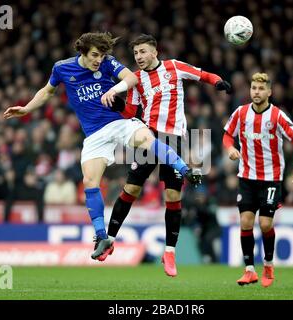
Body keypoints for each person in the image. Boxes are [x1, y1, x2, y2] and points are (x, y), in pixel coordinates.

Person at [3, 32, 201, 260]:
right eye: (95, 55)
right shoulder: (62, 68)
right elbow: (48, 91)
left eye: (101, 55)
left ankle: (185, 170)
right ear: (83, 53)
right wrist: (27, 108)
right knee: (89, 181)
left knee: (147, 139)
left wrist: (114, 90)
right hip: (94, 135)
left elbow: (131, 78)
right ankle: (101, 237)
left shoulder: (107, 63)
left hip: (118, 122)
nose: (99, 60)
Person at [100, 34, 232, 276]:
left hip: (174, 139)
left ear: (154, 52)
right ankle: (108, 240)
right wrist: (116, 104)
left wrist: (217, 82)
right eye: (135, 53)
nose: (138, 57)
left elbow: (202, 74)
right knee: (131, 190)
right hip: (148, 137)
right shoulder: (136, 79)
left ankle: (169, 252)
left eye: (142, 52)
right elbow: (130, 110)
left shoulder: (174, 67)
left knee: (172, 196)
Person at [222, 72, 293, 287]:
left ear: (269, 92)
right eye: (253, 88)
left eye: (261, 89)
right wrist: (230, 147)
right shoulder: (241, 113)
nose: (256, 92)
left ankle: (268, 265)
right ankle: (249, 270)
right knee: (245, 222)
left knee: (265, 223)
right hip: (247, 177)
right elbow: (226, 135)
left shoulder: (277, 116)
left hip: (271, 178)